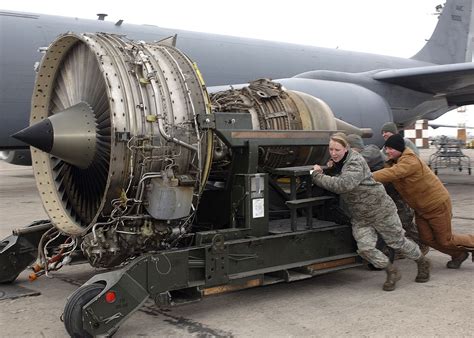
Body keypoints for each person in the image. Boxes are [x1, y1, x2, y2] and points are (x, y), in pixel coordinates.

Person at [312, 133, 430, 291]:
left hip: (381, 210)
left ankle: (422, 262)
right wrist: (332, 168)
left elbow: (343, 185)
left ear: (346, 149)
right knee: (365, 249)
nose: (333, 153)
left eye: (337, 150)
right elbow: (340, 174)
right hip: (361, 216)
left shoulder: (355, 161)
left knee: (397, 242)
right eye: (331, 149)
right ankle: (391, 271)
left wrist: (318, 175)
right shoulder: (340, 162)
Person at [373, 134, 474, 268]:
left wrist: (365, 176)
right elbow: (388, 173)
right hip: (421, 208)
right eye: (387, 148)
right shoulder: (393, 162)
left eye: (391, 148)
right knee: (426, 239)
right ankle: (458, 255)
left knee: (445, 240)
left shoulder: (410, 161)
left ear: (399, 148)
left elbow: (393, 173)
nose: (387, 151)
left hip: (436, 205)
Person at [346, 134, 429, 256]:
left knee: (403, 222)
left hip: (395, 196)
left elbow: (362, 159)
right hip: (384, 197)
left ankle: (422, 244)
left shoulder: (371, 151)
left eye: (349, 148)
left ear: (355, 147)